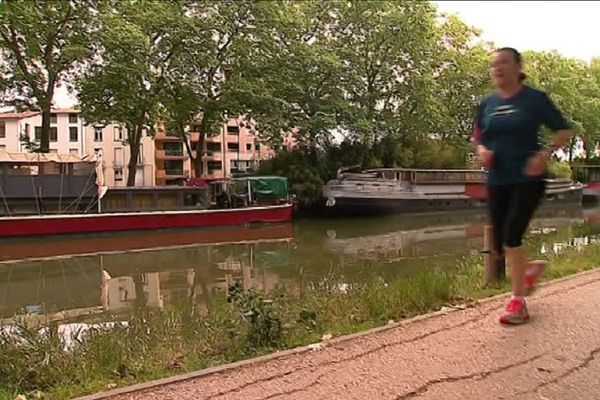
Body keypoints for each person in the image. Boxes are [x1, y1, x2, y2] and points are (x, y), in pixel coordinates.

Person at [473, 47, 572, 325]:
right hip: (497, 178)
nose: (498, 68)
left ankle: (518, 303)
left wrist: (544, 155)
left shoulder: (534, 99)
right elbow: (479, 136)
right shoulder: (487, 103)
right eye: (494, 65)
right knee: (499, 246)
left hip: (528, 177)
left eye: (504, 63)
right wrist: (482, 151)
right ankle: (528, 269)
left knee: (512, 235)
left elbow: (563, 130)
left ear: (518, 67)